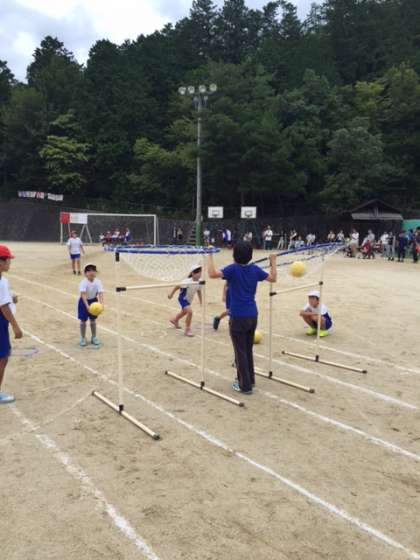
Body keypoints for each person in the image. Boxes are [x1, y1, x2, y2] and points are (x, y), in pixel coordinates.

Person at [208, 242, 277, 394]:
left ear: (234, 255)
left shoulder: (233, 269)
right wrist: (273, 262)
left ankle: (244, 385)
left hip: (238, 316)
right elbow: (273, 278)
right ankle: (250, 379)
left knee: (240, 352)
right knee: (247, 349)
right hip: (252, 315)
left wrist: (210, 254)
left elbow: (212, 274)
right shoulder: (254, 269)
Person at [0, 246, 23, 404]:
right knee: (3, 357)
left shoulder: (3, 280)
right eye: (8, 260)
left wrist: (10, 297)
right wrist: (16, 326)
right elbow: (3, 306)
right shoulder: (1, 282)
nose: (10, 263)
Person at [168, 265, 202, 337]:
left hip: (189, 300)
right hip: (183, 298)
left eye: (200, 272)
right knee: (190, 312)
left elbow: (199, 291)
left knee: (184, 312)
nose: (199, 274)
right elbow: (177, 286)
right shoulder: (187, 281)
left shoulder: (200, 282)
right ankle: (187, 330)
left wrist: (201, 301)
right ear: (193, 273)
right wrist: (171, 294)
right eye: (198, 273)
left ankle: (175, 320)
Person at [78, 264, 104, 347]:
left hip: (94, 301)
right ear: (85, 273)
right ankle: (83, 338)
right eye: (89, 271)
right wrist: (87, 306)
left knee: (93, 320)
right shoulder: (83, 282)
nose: (91, 272)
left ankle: (94, 337)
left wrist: (102, 304)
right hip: (84, 302)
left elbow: (100, 293)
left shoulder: (98, 282)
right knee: (83, 321)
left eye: (93, 270)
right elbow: (83, 295)